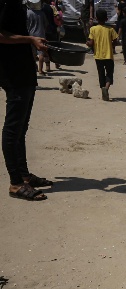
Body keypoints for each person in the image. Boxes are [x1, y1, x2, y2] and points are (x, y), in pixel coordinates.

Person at [1, 0, 53, 201]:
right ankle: (15, 184)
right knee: (13, 129)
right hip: (13, 73)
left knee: (21, 128)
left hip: (24, 70)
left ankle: (24, 176)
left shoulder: (18, 3)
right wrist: (30, 39)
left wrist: (34, 42)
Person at [87, 9, 118, 101]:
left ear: (96, 18)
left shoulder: (93, 29)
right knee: (109, 73)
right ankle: (106, 88)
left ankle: (102, 89)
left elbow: (91, 43)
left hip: (98, 56)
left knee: (101, 74)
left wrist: (87, 43)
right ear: (107, 19)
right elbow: (116, 40)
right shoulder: (110, 29)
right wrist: (112, 45)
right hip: (109, 56)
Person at [26, 0, 48, 76]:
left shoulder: (28, 13)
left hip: (30, 35)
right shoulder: (42, 13)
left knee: (33, 53)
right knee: (41, 53)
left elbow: (26, 24)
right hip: (41, 34)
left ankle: (33, 68)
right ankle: (40, 70)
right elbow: (46, 24)